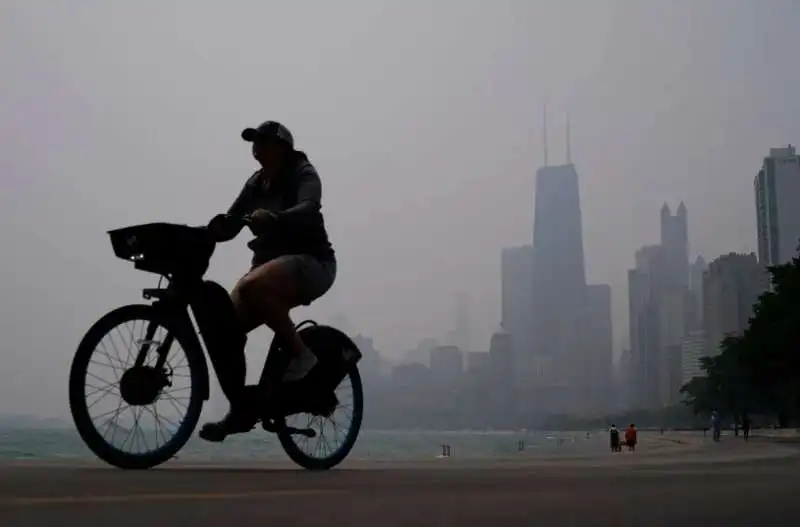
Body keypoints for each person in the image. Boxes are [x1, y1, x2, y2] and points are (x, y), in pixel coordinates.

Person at [199, 121, 337, 442]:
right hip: (268, 267)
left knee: (251, 287)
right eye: (253, 142)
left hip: (312, 263)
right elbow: (231, 224)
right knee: (224, 330)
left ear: (282, 148)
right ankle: (241, 408)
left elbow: (309, 206)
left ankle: (303, 355)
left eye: (262, 141)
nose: (255, 147)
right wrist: (211, 230)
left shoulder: (303, 172)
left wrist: (276, 217)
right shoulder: (255, 184)